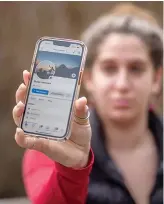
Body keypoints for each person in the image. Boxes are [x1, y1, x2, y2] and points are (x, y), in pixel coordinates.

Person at [12, 4, 163, 204]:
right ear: (89, 78)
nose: (122, 84)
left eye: (136, 69)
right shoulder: (51, 147)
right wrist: (71, 169)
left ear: (156, 78)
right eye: (109, 69)